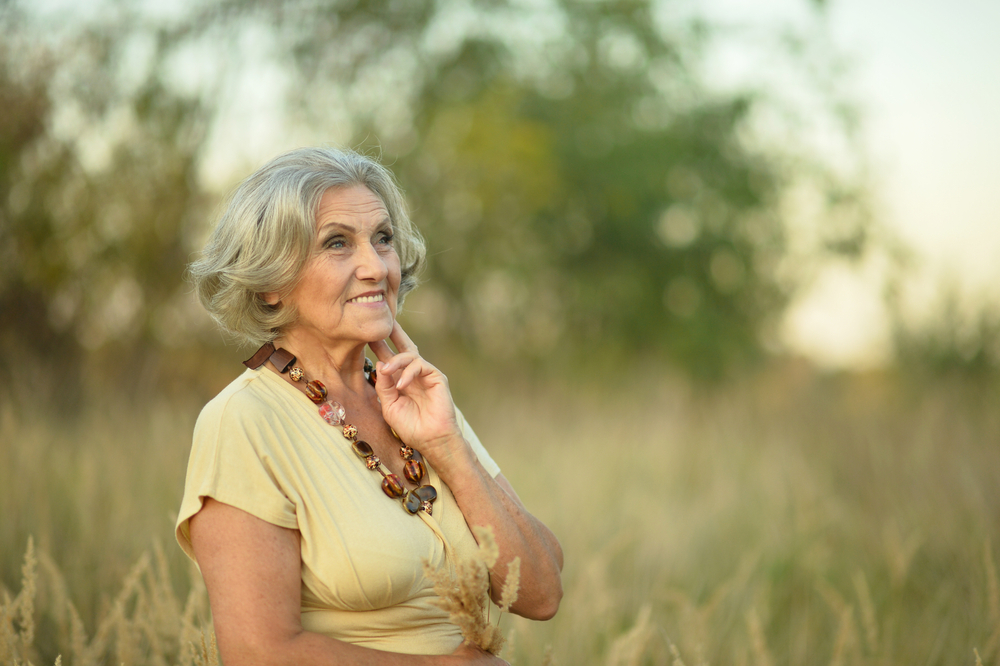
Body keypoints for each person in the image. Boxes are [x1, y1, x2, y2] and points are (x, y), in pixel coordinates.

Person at [175, 146, 563, 665]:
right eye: (337, 243)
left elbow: (540, 594)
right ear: (270, 286)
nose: (376, 266)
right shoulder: (243, 423)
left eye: (382, 239)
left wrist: (447, 445)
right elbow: (258, 652)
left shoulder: (416, 396)